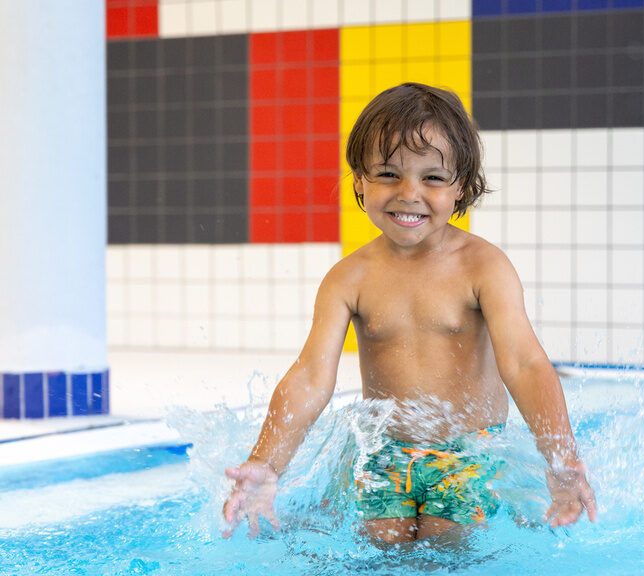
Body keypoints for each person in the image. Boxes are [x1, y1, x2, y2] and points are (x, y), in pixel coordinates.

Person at [223, 82, 597, 543]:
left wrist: (559, 459)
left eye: (433, 178)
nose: (409, 193)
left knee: (448, 539)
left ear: (460, 187)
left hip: (469, 452)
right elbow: (309, 377)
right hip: (386, 453)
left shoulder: (483, 267)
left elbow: (524, 363)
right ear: (359, 180)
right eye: (387, 174)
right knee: (382, 538)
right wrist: (265, 462)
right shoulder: (348, 278)